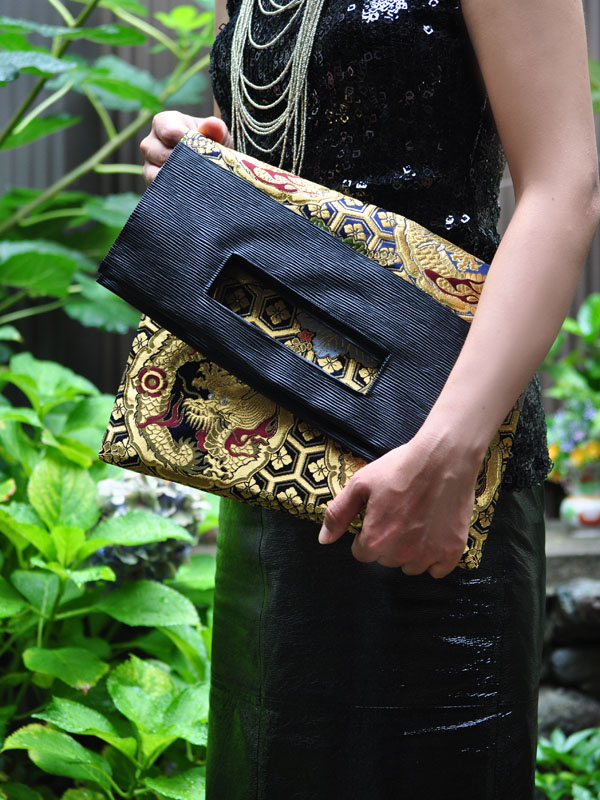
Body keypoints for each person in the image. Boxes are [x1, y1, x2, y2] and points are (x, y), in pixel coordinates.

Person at [140, 1, 600, 797]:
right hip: (275, 460)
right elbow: (297, 160)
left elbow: (566, 187)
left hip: (437, 460)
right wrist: (205, 158)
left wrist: (449, 450)